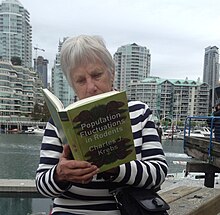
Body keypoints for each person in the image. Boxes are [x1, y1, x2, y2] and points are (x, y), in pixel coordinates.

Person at [35, 35, 168, 215]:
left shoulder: (139, 113)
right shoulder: (59, 124)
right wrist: (60, 174)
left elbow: (158, 173)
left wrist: (116, 168)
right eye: (81, 81)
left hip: (125, 209)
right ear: (72, 85)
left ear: (111, 73)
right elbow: (43, 186)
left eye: (97, 75)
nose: (91, 87)